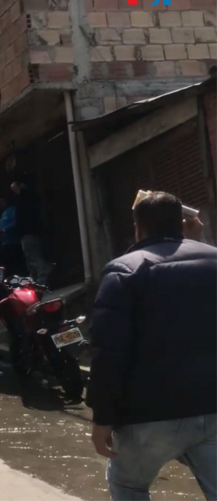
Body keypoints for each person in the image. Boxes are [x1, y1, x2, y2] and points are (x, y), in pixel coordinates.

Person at [87, 191, 216, 500]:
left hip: (150, 414)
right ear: (182, 224)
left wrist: (102, 418)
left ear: (137, 228)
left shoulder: (125, 270)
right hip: (212, 407)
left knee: (129, 485)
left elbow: (109, 353)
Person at [11, 181, 53, 283]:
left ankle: (43, 274)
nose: (14, 191)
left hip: (29, 232)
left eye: (15, 188)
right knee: (30, 258)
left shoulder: (25, 199)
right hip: (29, 232)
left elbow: (23, 217)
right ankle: (37, 279)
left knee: (33, 256)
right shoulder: (27, 199)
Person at [0, 195, 25, 275]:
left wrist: (4, 229)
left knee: (16, 265)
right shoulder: (3, 214)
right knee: (8, 266)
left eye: (2, 202)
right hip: (4, 242)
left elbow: (16, 222)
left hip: (13, 242)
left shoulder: (13, 210)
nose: (0, 204)